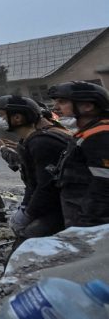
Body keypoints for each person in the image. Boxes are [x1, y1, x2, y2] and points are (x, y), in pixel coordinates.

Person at [0, 95, 69, 243]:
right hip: (59, 206)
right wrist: (25, 207)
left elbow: (46, 187)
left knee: (26, 244)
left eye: (0, 115)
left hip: (65, 210)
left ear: (18, 118)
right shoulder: (31, 140)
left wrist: (28, 214)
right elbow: (32, 181)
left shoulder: (41, 142)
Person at [47, 81, 109, 228]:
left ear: (88, 106)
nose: (55, 108)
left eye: (62, 102)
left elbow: (104, 183)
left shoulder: (99, 135)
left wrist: (89, 222)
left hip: (94, 221)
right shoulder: (86, 133)